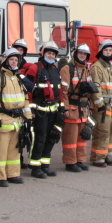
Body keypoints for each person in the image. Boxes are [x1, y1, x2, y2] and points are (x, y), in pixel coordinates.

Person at [0, 47, 32, 186]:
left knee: (15, 151)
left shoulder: (17, 78)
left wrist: (28, 116)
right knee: (0, 151)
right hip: (2, 120)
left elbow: (25, 99)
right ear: (5, 61)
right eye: (11, 59)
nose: (13, 62)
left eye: (16, 60)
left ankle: (13, 174)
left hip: (17, 121)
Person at [21, 41, 63, 178]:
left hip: (53, 110)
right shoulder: (35, 68)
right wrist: (31, 110)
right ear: (43, 53)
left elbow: (59, 91)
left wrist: (61, 109)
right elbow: (28, 91)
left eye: (53, 54)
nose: (50, 56)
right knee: (39, 139)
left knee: (51, 138)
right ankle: (35, 167)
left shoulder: (55, 69)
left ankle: (45, 166)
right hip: (40, 111)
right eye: (48, 53)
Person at [88, 40, 112, 168]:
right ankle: (98, 158)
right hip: (102, 107)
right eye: (106, 50)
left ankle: (107, 155)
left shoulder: (111, 67)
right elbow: (96, 88)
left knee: (111, 132)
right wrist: (100, 105)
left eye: (110, 51)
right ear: (101, 51)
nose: (108, 53)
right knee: (101, 132)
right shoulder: (96, 67)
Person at [60, 43, 95, 172]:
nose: (82, 56)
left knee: (81, 138)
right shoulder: (67, 69)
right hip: (72, 108)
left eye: (85, 54)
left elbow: (90, 91)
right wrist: (66, 108)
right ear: (76, 54)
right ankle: (70, 162)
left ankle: (80, 160)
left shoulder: (86, 69)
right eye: (80, 53)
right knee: (70, 138)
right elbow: (63, 91)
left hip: (83, 109)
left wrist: (90, 106)